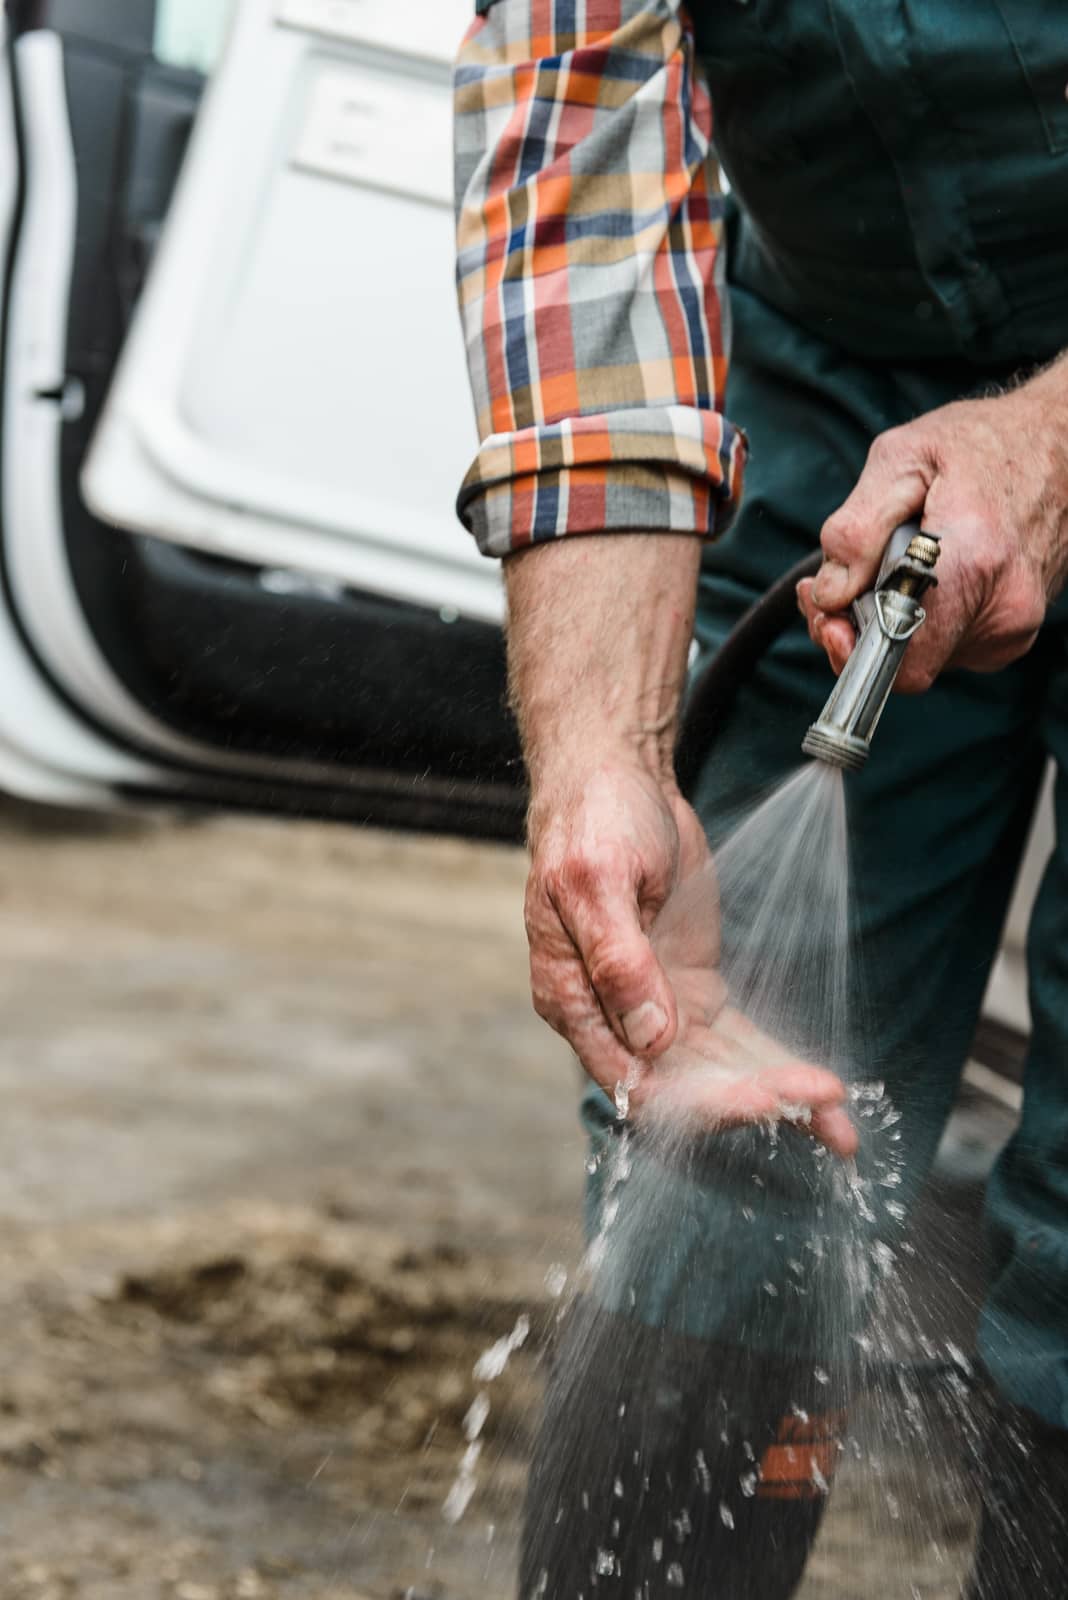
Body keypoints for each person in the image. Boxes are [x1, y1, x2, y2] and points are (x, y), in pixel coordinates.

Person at [453, 4, 1068, 1594]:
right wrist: (605, 751)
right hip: (833, 361)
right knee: (723, 1139)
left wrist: (1048, 439)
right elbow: (579, 144)